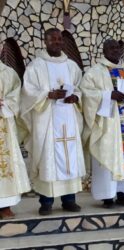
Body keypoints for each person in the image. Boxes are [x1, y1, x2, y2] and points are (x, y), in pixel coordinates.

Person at [20, 28, 85, 215]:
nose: (57, 42)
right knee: (48, 159)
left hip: (68, 120)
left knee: (69, 158)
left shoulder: (71, 66)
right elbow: (28, 93)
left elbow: (79, 89)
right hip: (47, 121)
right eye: (52, 39)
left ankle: (69, 200)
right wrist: (48, 95)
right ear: (45, 41)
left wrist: (76, 98)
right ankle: (46, 202)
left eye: (59, 39)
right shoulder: (36, 66)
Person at [80, 39, 124, 208]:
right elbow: (87, 94)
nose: (114, 51)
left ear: (121, 51)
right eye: (110, 48)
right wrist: (108, 96)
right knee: (108, 157)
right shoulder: (94, 73)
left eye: (117, 48)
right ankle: (107, 196)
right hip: (108, 124)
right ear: (103, 51)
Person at [0, 61, 31, 219]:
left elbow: (16, 94)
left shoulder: (7, 72)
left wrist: (3, 103)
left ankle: (5, 205)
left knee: (7, 164)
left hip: (3, 121)